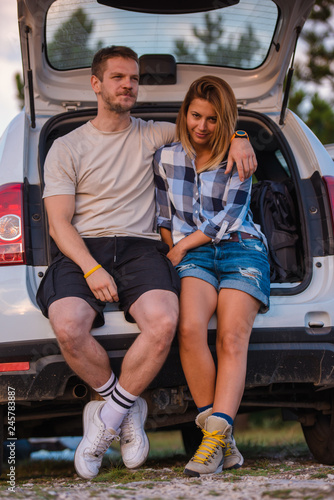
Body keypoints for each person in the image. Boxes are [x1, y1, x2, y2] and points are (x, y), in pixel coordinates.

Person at [36, 46, 257, 480]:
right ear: (96, 84)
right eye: (118, 77)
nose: (128, 85)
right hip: (84, 248)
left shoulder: (156, 134)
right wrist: (91, 268)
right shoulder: (65, 146)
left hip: (140, 247)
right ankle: (127, 404)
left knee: (163, 322)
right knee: (67, 325)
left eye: (133, 78)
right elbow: (59, 224)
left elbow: (206, 128)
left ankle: (108, 420)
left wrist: (241, 135)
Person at [153, 75, 270, 477]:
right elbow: (163, 214)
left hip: (242, 248)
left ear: (227, 121)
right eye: (196, 115)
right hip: (195, 256)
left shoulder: (240, 157)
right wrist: (174, 243)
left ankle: (211, 443)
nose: (202, 126)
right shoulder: (166, 158)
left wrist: (181, 247)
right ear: (184, 113)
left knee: (231, 336)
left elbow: (230, 217)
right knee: (188, 330)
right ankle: (220, 439)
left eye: (214, 119)